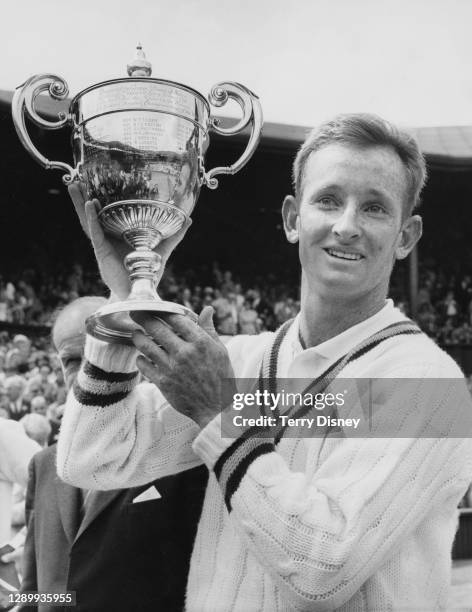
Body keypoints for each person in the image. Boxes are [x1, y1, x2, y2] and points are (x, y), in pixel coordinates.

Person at [58, 114, 472, 610]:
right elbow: (93, 458)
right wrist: (127, 298)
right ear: (293, 218)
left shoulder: (427, 383)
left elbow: (323, 569)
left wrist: (219, 413)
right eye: (328, 200)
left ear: (406, 236)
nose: (346, 226)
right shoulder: (237, 362)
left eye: (375, 208)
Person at [20, 296, 207, 612]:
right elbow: (35, 587)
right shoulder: (43, 465)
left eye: (107, 352)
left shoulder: (185, 451)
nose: (88, 371)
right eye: (72, 360)